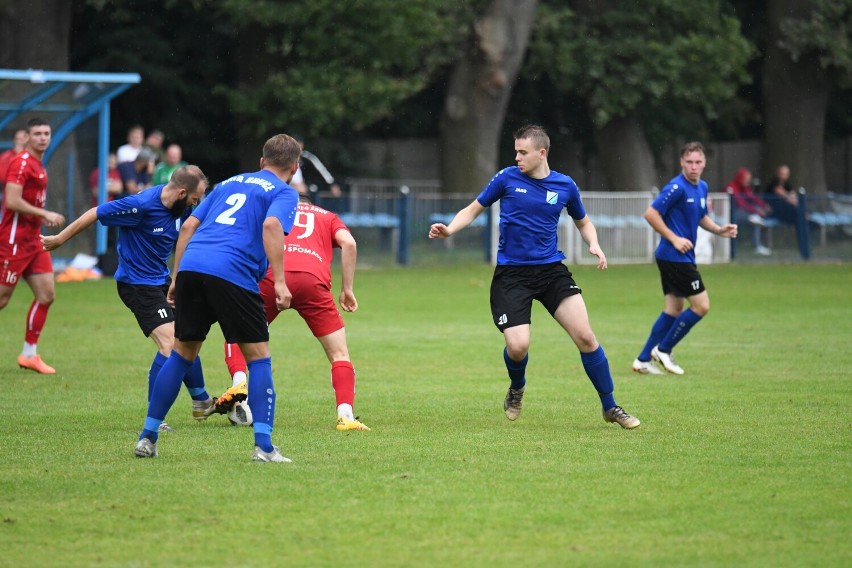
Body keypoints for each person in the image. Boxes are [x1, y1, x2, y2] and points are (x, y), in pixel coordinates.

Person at [428, 124, 640, 429]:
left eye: (522, 152)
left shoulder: (565, 186)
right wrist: (449, 228)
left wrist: (593, 243)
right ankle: (517, 387)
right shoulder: (506, 178)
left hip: (551, 271)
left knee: (586, 336)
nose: (517, 157)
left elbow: (583, 222)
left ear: (542, 153)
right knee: (517, 347)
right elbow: (473, 209)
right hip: (512, 275)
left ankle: (611, 406)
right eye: (515, 151)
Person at [133, 133, 301, 462]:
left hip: (194, 266)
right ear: (294, 167)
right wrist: (280, 282)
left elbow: (187, 227)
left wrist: (177, 277)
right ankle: (264, 447)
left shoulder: (226, 184)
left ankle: (148, 438)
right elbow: (270, 225)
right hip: (233, 270)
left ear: (262, 162)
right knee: (259, 359)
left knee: (181, 353)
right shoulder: (284, 192)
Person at [41, 166, 212, 430]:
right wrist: (60, 239)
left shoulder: (181, 209)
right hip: (136, 286)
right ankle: (157, 418)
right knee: (170, 343)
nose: (195, 204)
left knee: (186, 336)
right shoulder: (140, 206)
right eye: (193, 199)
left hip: (162, 282)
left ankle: (201, 401)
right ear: (181, 192)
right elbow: (95, 213)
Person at [218, 190, 369, 431]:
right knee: (339, 354)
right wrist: (347, 289)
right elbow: (349, 243)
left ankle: (239, 382)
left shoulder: (275, 213)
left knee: (238, 330)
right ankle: (346, 416)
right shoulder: (327, 216)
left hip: (272, 277)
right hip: (313, 281)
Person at [632, 141, 738, 376]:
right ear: (681, 162)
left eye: (698, 162)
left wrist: (720, 230)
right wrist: (674, 238)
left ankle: (642, 360)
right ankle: (664, 350)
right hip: (674, 256)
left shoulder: (701, 187)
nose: (693, 166)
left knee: (673, 308)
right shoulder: (676, 187)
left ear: (704, 163)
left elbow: (701, 216)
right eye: (689, 162)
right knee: (701, 306)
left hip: (678, 257)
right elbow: (651, 213)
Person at [0, 118, 66, 374]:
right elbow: (12, 202)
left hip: (33, 242)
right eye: (37, 133)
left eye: (46, 133)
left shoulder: (38, 164)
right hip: (13, 242)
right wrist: (44, 213)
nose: (42, 137)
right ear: (27, 137)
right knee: (3, 299)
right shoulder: (21, 163)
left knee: (47, 294)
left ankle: (29, 354)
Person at [725, 167, 772, 255]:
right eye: (746, 179)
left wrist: (764, 205)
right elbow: (740, 203)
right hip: (730, 214)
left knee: (755, 219)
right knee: (754, 217)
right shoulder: (731, 187)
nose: (748, 181)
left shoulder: (745, 187)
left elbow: (752, 197)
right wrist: (756, 211)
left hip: (744, 213)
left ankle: (758, 246)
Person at [0, 128, 28, 193]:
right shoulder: (5, 157)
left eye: (23, 139)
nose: (21, 142)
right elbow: (4, 177)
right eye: (18, 139)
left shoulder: (34, 156)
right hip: (11, 197)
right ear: (14, 140)